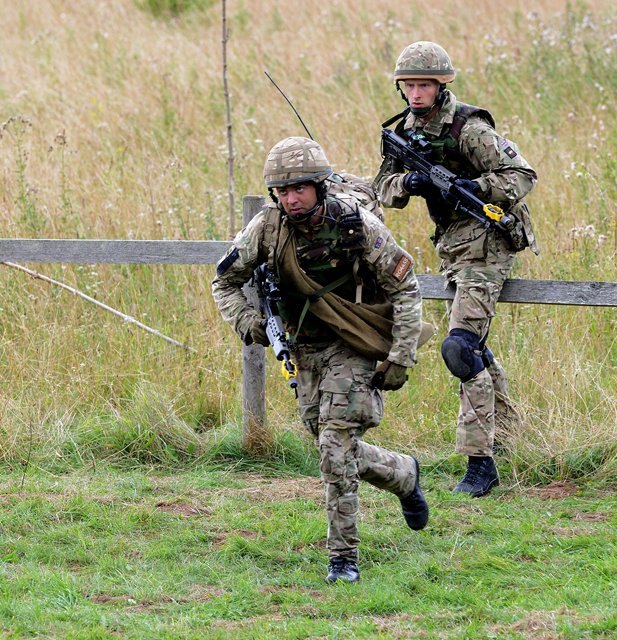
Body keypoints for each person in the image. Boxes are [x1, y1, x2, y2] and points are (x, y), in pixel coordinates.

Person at [212, 136, 430, 584]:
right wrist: (250, 323)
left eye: (300, 189)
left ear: (320, 186)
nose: (291, 199)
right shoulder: (266, 228)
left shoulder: (359, 225)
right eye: (282, 191)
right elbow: (224, 281)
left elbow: (405, 289)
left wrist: (402, 355)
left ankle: (343, 559)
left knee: (334, 446)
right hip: (304, 347)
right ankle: (404, 475)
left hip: (357, 342)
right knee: (332, 445)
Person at [374, 41, 538, 498]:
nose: (415, 93)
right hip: (453, 247)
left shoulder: (470, 126)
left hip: (489, 243)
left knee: (459, 349)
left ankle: (480, 463)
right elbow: (380, 186)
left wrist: (473, 185)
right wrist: (409, 181)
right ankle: (506, 437)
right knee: (475, 349)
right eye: (408, 85)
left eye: (423, 84)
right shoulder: (404, 131)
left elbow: (521, 175)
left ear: (442, 84)